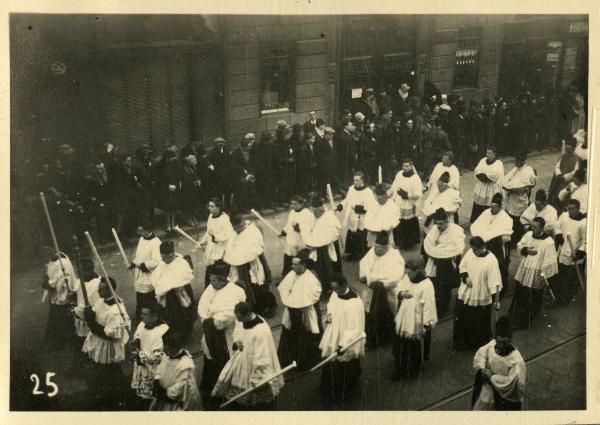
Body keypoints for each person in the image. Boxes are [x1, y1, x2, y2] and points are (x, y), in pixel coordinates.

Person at [212, 302, 284, 411]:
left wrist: (255, 381)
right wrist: (237, 341)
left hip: (255, 365)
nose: (239, 321)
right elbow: (237, 331)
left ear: (249, 314)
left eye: (241, 319)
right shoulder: (241, 319)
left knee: (256, 398)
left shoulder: (261, 331)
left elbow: (262, 359)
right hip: (242, 358)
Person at [197, 271, 246, 408]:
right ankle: (209, 390)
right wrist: (207, 319)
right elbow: (203, 305)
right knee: (210, 362)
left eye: (214, 281)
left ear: (223, 280)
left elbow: (229, 316)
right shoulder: (212, 288)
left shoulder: (235, 292)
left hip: (224, 335)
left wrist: (212, 320)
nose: (211, 284)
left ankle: (223, 393)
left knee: (223, 363)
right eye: (211, 281)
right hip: (210, 331)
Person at [82, 277, 131, 409]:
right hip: (99, 342)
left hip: (108, 346)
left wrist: (92, 324)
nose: (98, 291)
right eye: (98, 288)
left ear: (110, 290)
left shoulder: (116, 310)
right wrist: (87, 313)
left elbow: (113, 334)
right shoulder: (101, 301)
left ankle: (120, 397)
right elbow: (95, 312)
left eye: (101, 289)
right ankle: (107, 393)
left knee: (111, 371)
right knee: (103, 370)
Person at [319, 274, 366, 409]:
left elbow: (354, 327)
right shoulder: (335, 294)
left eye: (336, 288)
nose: (334, 291)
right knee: (331, 362)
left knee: (345, 365)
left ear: (344, 285)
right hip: (335, 331)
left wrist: (343, 345)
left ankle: (344, 391)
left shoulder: (354, 302)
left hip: (346, 338)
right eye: (333, 288)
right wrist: (329, 316)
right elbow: (331, 305)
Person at [277, 250, 323, 371]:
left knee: (305, 337)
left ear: (303, 265)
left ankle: (304, 363)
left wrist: (300, 304)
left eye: (295, 264)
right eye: (292, 264)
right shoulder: (291, 274)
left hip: (304, 314)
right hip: (291, 312)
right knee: (289, 334)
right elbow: (283, 288)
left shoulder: (310, 278)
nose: (292, 266)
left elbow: (314, 294)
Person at [509, 217, 558, 330]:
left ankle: (527, 318)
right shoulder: (529, 234)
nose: (533, 229)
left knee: (533, 295)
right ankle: (516, 313)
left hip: (537, 270)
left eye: (536, 227)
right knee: (521, 290)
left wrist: (543, 274)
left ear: (542, 228)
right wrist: (526, 250)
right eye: (532, 226)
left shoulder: (548, 242)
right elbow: (520, 244)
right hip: (526, 267)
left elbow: (550, 260)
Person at [454, 236, 502, 350]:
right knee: (462, 318)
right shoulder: (471, 252)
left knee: (477, 321)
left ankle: (475, 343)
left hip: (480, 294)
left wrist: (496, 300)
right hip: (467, 292)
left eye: (476, 249)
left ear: (483, 247)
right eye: (473, 248)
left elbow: (494, 281)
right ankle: (462, 342)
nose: (473, 251)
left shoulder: (491, 260)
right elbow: (463, 265)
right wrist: (465, 277)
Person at [359, 231, 405, 349]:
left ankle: (384, 337)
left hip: (387, 290)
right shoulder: (372, 252)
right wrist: (363, 275)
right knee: (369, 313)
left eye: (380, 248)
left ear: (387, 247)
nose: (377, 250)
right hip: (371, 289)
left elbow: (398, 275)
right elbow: (363, 263)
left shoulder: (395, 256)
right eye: (376, 247)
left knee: (384, 314)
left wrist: (382, 285)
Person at [392, 259, 437, 378]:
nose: (408, 276)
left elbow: (429, 304)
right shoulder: (408, 277)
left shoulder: (426, 284)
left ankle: (413, 369)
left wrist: (426, 324)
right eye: (406, 273)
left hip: (417, 319)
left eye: (410, 273)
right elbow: (399, 286)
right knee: (401, 341)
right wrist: (401, 294)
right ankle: (400, 366)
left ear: (417, 271)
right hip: (404, 315)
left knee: (413, 345)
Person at [224, 215, 276, 317]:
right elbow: (231, 247)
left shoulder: (252, 231)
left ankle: (271, 306)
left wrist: (242, 256)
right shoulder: (234, 233)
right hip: (240, 265)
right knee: (247, 287)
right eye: (233, 227)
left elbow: (255, 248)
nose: (235, 230)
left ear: (243, 222)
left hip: (253, 264)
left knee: (259, 286)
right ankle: (255, 307)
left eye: (238, 227)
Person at [472, 316, 526, 411]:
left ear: (510, 340)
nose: (500, 346)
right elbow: (480, 355)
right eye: (499, 342)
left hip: (501, 398)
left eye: (504, 343)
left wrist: (492, 377)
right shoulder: (492, 345)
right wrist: (482, 369)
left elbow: (514, 382)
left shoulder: (516, 361)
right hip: (486, 392)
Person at [150, 241, 196, 341]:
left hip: (179, 294)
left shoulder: (181, 264)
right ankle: (174, 333)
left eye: (167, 257)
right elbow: (156, 276)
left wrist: (162, 288)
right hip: (168, 295)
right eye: (163, 257)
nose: (164, 260)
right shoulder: (164, 262)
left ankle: (183, 335)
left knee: (181, 315)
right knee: (170, 316)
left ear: (172, 254)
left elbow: (176, 281)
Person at [423, 208, 465, 316]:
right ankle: (433, 306)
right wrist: (437, 250)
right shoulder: (435, 230)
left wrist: (440, 248)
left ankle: (442, 309)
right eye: (437, 224)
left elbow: (458, 248)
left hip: (447, 264)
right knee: (433, 285)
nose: (439, 227)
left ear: (447, 221)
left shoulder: (456, 230)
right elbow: (428, 243)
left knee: (444, 287)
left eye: (441, 224)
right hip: (434, 262)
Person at [470, 193, 513, 293]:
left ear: (500, 207)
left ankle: (499, 288)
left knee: (498, 265)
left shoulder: (505, 218)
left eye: (494, 208)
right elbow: (477, 224)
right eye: (491, 207)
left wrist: (490, 236)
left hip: (497, 245)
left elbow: (504, 232)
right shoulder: (487, 212)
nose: (491, 210)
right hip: (484, 243)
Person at [149, 330, 202, 411]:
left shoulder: (185, 366)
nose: (164, 349)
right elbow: (160, 369)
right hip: (163, 393)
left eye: (168, 346)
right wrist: (157, 380)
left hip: (176, 402)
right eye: (164, 345)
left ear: (176, 347)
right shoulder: (167, 356)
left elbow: (180, 389)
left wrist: (162, 393)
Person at [130, 303, 169, 403]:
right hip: (142, 364)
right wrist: (136, 341)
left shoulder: (163, 330)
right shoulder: (143, 324)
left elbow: (156, 357)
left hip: (153, 369)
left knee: (153, 396)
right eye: (141, 314)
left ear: (155, 316)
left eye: (145, 314)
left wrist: (139, 356)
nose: (141, 316)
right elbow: (138, 334)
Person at [304, 197, 343, 293]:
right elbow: (308, 230)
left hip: (327, 247)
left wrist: (319, 243)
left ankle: (334, 287)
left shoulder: (329, 217)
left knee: (330, 268)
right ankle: (324, 287)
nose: (315, 211)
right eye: (313, 209)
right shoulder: (313, 218)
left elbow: (334, 233)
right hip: (316, 247)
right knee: (320, 269)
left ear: (322, 207)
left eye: (317, 209)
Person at [553, 199, 587, 305]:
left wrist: (580, 253)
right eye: (569, 209)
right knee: (559, 274)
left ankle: (566, 297)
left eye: (572, 209)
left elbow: (585, 241)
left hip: (573, 255)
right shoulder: (564, 216)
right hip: (561, 250)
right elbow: (557, 226)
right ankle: (556, 294)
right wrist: (558, 234)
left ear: (578, 209)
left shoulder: (583, 223)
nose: (570, 211)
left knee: (569, 279)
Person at [337, 171, 376, 261]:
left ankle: (364, 255)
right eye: (354, 180)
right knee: (353, 234)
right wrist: (341, 205)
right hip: (352, 216)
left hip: (362, 217)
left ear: (362, 180)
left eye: (357, 180)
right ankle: (353, 254)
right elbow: (347, 200)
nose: (355, 182)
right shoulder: (351, 189)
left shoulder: (368, 191)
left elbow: (371, 207)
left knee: (362, 235)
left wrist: (360, 209)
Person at [43, 250, 79, 348]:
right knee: (59, 316)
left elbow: (63, 279)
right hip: (59, 293)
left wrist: (50, 284)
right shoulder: (53, 262)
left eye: (46, 250)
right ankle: (61, 338)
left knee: (61, 315)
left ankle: (62, 339)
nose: (45, 253)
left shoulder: (61, 262)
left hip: (63, 293)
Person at [503, 151, 537, 244]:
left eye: (516, 160)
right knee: (510, 218)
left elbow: (532, 184)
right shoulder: (516, 169)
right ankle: (512, 236)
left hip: (519, 200)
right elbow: (505, 180)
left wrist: (521, 188)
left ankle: (516, 239)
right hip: (511, 199)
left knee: (517, 221)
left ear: (521, 161)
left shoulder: (528, 171)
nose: (514, 162)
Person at [130, 221, 162, 320]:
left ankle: (149, 316)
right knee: (139, 296)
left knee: (147, 297)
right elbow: (139, 255)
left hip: (148, 275)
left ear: (148, 230)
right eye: (139, 230)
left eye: (141, 230)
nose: (139, 233)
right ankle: (140, 315)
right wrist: (133, 264)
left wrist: (142, 265)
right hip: (140, 274)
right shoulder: (141, 239)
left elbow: (156, 261)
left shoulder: (156, 242)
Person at [199, 198, 233, 288]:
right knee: (210, 271)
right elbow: (208, 232)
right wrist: (202, 242)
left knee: (219, 273)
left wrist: (215, 237)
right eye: (209, 206)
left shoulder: (225, 219)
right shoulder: (210, 216)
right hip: (212, 248)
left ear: (219, 207)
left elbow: (228, 235)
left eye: (212, 206)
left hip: (221, 250)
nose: (209, 208)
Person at [389, 158, 423, 249]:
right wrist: (390, 193)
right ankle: (399, 241)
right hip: (399, 201)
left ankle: (408, 243)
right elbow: (394, 185)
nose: (404, 168)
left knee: (408, 223)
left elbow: (418, 193)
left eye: (407, 166)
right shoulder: (399, 174)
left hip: (409, 203)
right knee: (398, 221)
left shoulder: (415, 178)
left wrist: (407, 195)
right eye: (403, 166)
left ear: (411, 166)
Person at [280, 195, 315, 276]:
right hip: (291, 240)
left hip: (301, 241)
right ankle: (287, 276)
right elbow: (289, 223)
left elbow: (309, 227)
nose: (292, 206)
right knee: (288, 259)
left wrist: (299, 228)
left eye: (295, 204)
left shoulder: (307, 214)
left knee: (300, 260)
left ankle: (304, 275)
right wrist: (284, 231)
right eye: (292, 204)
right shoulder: (292, 212)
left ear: (301, 204)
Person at [470, 147, 504, 223]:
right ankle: (477, 221)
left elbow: (496, 175)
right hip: (482, 186)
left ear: (494, 154)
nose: (487, 155)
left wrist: (485, 176)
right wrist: (483, 176)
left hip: (491, 187)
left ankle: (487, 222)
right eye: (487, 153)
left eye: (489, 153)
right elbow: (477, 170)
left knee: (488, 205)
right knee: (478, 204)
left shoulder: (498, 163)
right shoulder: (483, 160)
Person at [73, 258, 101, 343]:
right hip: (81, 311)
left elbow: (91, 303)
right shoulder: (80, 281)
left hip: (90, 314)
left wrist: (76, 310)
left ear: (88, 271)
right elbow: (77, 292)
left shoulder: (96, 284)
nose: (78, 274)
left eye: (80, 272)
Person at [363, 183, 399, 248]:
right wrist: (371, 226)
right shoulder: (374, 204)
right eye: (377, 199)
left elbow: (394, 220)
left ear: (385, 196)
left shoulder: (391, 205)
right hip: (373, 233)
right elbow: (367, 218)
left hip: (385, 234)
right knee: (374, 250)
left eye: (381, 199)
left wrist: (385, 228)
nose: (379, 201)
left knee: (386, 251)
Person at [547, 137, 579, 210]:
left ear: (573, 148)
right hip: (558, 180)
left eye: (569, 146)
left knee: (563, 198)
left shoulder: (576, 159)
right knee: (553, 195)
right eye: (566, 145)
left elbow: (574, 172)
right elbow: (557, 166)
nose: (566, 147)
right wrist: (558, 174)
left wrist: (565, 177)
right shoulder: (563, 156)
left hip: (566, 182)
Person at [230, 136, 257, 213]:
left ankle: (246, 208)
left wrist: (251, 173)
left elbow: (252, 164)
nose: (250, 147)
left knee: (248, 192)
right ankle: (239, 209)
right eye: (248, 146)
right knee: (240, 193)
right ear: (244, 146)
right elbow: (233, 165)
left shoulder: (250, 153)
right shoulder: (236, 154)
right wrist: (242, 170)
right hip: (239, 176)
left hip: (249, 176)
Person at [207, 137, 232, 209]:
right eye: (218, 144)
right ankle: (219, 207)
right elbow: (211, 164)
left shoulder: (227, 151)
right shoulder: (212, 153)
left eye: (222, 144)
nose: (220, 146)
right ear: (215, 145)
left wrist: (228, 171)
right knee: (219, 193)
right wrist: (216, 173)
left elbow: (230, 162)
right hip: (217, 176)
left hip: (227, 175)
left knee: (228, 192)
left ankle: (227, 206)